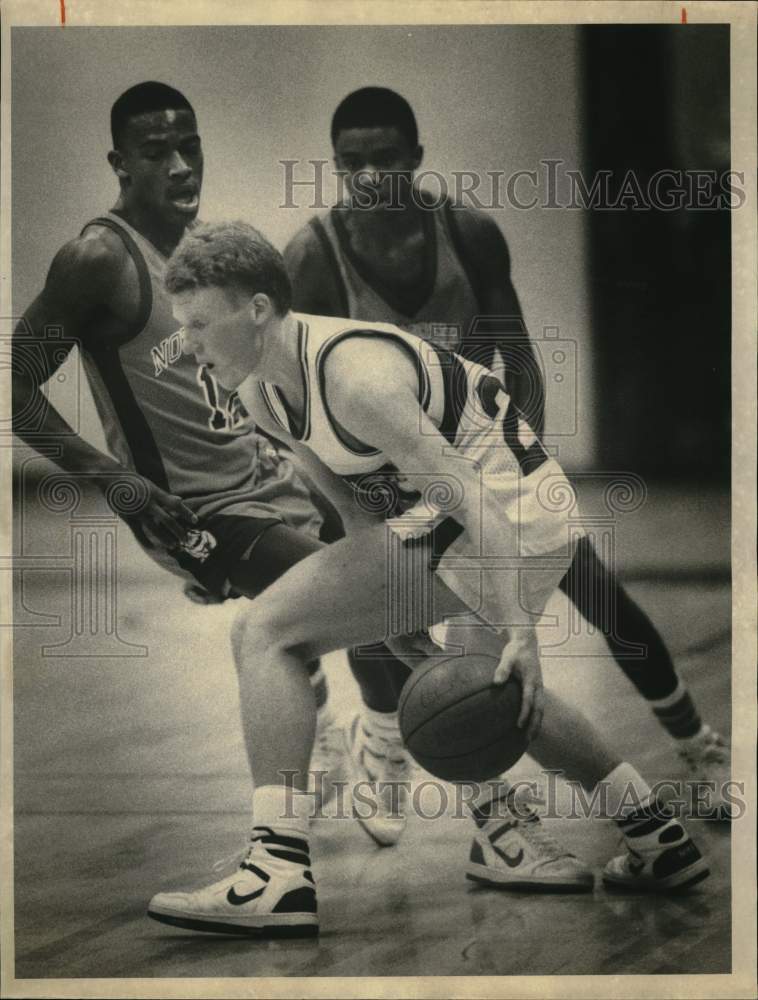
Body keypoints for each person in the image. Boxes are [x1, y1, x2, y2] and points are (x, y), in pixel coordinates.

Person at [146, 220, 710, 937]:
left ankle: (276, 871)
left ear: (258, 309)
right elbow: (354, 507)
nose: (187, 343)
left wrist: (521, 628)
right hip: (512, 511)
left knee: (264, 631)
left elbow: (468, 494)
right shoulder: (263, 392)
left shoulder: (355, 378)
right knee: (490, 691)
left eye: (198, 323)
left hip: (498, 510)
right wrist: (393, 618)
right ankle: (656, 834)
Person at [283, 86, 730, 843]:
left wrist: (522, 478)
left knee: (596, 590)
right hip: (383, 470)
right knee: (374, 599)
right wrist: (364, 506)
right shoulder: (313, 258)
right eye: (350, 162)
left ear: (417, 157)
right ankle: (385, 744)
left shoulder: (467, 233)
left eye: (385, 158)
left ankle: (700, 747)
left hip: (478, 452)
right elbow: (314, 399)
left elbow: (517, 361)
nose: (368, 176)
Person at [10, 81, 344, 794]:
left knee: (392, 568)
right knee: (362, 598)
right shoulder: (98, 260)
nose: (181, 166)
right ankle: (471, 798)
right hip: (192, 510)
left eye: (189, 146)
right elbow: (16, 390)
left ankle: (342, 722)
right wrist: (115, 481)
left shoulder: (207, 252)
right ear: (119, 164)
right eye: (157, 151)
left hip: (266, 475)